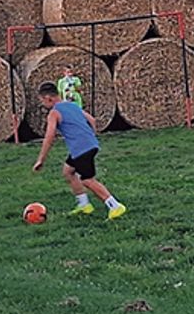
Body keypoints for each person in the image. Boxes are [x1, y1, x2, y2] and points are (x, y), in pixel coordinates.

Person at [32, 81, 126, 219]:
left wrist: (41, 159)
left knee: (87, 180)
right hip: (89, 144)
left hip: (81, 149)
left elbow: (49, 137)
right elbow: (92, 120)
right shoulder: (72, 105)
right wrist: (90, 137)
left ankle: (115, 206)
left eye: (42, 101)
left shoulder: (54, 113)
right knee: (68, 171)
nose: (42, 104)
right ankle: (84, 205)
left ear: (48, 98)